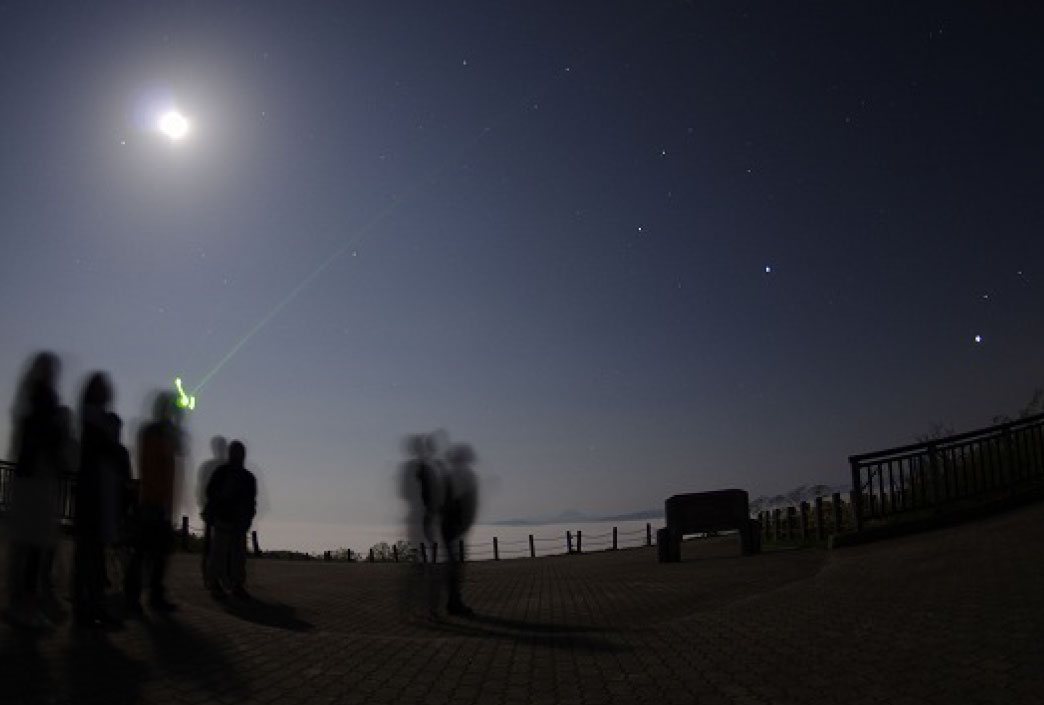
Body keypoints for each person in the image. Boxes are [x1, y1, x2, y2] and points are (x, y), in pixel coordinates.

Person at [5, 351, 68, 629]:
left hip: (31, 475)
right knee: (32, 544)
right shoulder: (44, 398)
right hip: (37, 477)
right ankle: (24, 605)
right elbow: (49, 437)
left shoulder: (31, 396)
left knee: (26, 544)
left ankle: (20, 601)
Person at [73, 372, 132, 628]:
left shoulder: (93, 421)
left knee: (92, 555)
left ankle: (91, 606)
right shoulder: (93, 420)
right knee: (90, 555)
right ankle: (88, 607)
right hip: (94, 497)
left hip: (97, 497)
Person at [124, 391, 184, 614]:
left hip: (161, 501)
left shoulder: (162, 433)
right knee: (144, 550)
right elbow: (160, 459)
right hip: (151, 500)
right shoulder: (154, 432)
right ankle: (135, 595)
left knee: (158, 551)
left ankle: (153, 595)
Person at [204, 440, 256, 599]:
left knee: (237, 557)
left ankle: (236, 585)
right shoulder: (225, 473)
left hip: (237, 522)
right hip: (224, 520)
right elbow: (211, 492)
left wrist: (247, 519)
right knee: (220, 554)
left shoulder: (246, 477)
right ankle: (215, 584)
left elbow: (251, 501)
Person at [440, 443, 478, 617]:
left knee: (453, 565)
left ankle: (451, 601)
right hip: (456, 529)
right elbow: (466, 505)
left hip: (449, 527)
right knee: (455, 566)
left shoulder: (448, 476)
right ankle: (454, 603)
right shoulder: (464, 476)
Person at [196, 435, 228, 590]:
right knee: (210, 545)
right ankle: (209, 576)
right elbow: (202, 488)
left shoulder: (221, 466)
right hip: (212, 510)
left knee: (219, 545)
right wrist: (204, 506)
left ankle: (216, 576)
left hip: (222, 511)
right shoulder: (211, 466)